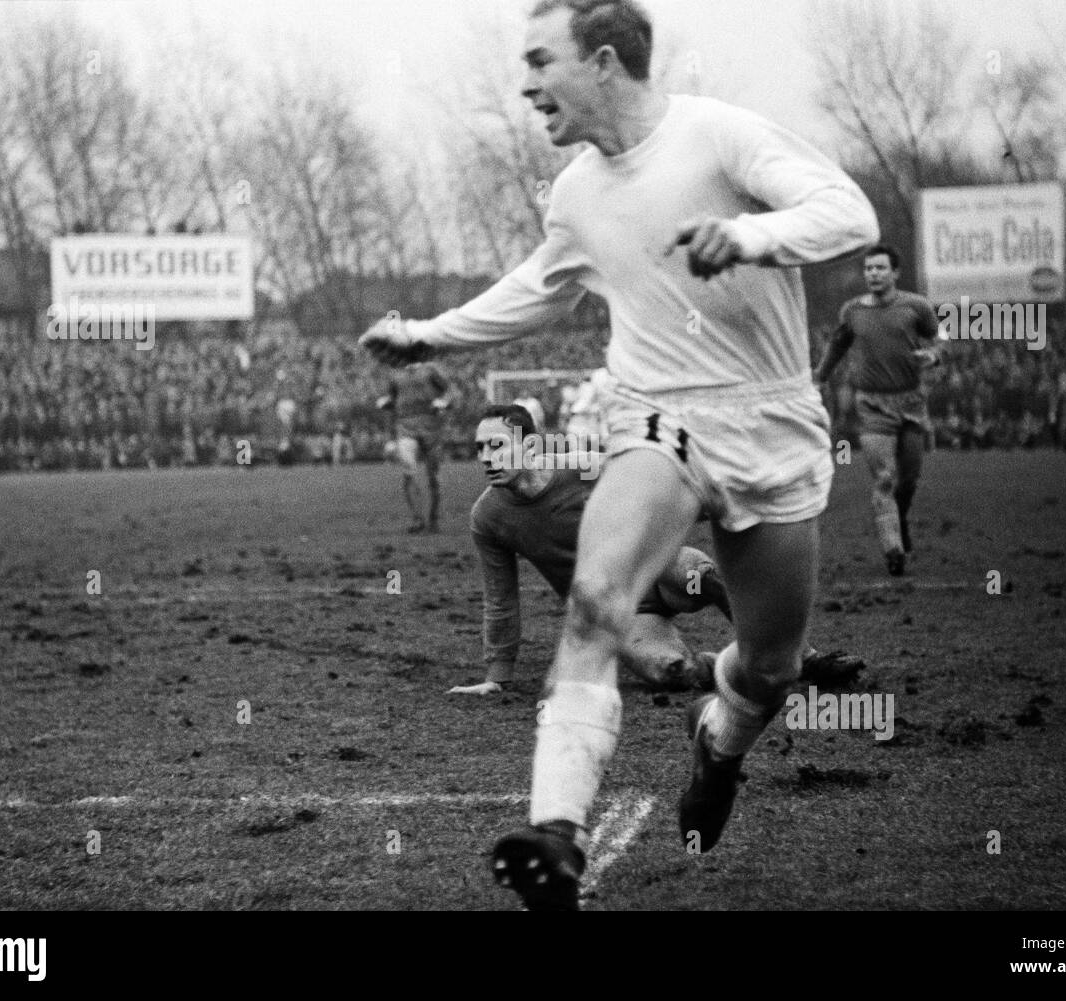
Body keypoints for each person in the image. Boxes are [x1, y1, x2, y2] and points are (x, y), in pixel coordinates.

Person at [360, 0, 878, 910]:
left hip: (772, 426)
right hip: (657, 421)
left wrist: (753, 234)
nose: (524, 84)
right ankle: (556, 832)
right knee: (597, 597)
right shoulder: (576, 193)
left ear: (603, 62)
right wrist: (430, 336)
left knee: (768, 667)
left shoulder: (717, 135)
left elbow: (849, 213)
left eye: (538, 61)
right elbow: (537, 287)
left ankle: (718, 745)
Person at [455, 404, 865, 696]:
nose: (487, 458)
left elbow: (663, 483)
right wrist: (498, 674)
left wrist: (728, 505)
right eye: (480, 449)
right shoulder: (487, 518)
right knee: (673, 675)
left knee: (704, 578)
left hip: (655, 568)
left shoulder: (582, 466)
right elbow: (500, 599)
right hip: (620, 612)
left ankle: (803, 659)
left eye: (497, 446)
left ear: (530, 447)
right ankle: (718, 666)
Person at [815, 244, 941, 576]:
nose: (873, 274)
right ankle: (893, 549)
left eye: (880, 268)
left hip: (912, 403)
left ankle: (899, 518)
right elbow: (837, 345)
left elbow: (940, 337)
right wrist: (819, 377)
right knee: (884, 477)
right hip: (871, 405)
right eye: (869, 269)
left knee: (910, 477)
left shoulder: (916, 307)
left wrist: (935, 355)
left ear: (895, 273)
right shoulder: (852, 311)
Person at [375, 360, 452, 532]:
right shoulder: (395, 374)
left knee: (434, 477)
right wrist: (390, 436)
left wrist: (444, 403)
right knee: (409, 471)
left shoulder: (430, 371)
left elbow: (449, 393)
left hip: (431, 429)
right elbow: (391, 403)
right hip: (405, 428)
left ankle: (433, 518)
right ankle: (418, 519)